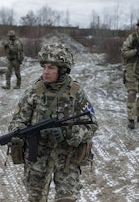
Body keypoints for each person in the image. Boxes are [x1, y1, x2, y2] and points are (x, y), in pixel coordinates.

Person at [7, 43, 98, 202]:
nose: (46, 72)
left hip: (67, 158)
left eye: (51, 68)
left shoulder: (75, 92)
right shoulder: (34, 91)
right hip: (38, 157)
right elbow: (18, 121)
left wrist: (68, 133)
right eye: (44, 67)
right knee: (35, 198)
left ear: (62, 70)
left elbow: (91, 124)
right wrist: (17, 135)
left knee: (67, 199)